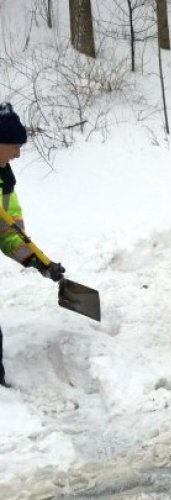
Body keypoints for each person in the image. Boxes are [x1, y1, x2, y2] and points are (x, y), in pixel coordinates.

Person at [0, 102, 65, 388]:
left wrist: (37, 261)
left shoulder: (5, 182)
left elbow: (9, 233)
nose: (18, 152)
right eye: (13, 145)